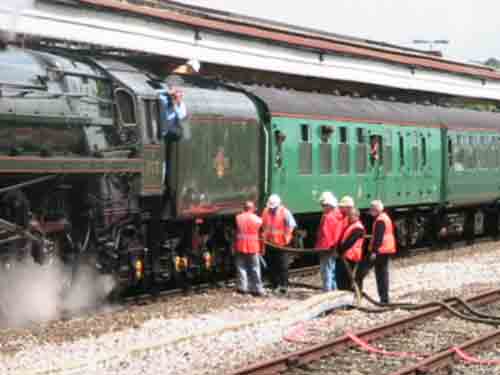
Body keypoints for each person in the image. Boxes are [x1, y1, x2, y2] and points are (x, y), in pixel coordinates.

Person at [262, 194, 296, 294]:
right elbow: (263, 225)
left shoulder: (284, 212)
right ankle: (274, 284)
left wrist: (287, 236)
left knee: (283, 265)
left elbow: (292, 225)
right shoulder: (265, 211)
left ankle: (284, 285)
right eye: (270, 207)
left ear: (278, 205)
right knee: (271, 265)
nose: (272, 209)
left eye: (274, 207)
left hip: (282, 244)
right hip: (270, 243)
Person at [234, 201, 265, 296]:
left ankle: (242, 287)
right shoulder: (258, 220)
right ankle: (257, 289)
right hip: (253, 246)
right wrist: (263, 247)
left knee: (241, 267)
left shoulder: (238, 218)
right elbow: (262, 235)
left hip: (240, 245)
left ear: (244, 208)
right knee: (255, 268)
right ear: (252, 208)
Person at [369, 200, 397, 303]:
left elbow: (378, 237)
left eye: (371, 209)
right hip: (386, 249)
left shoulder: (380, 220)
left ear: (376, 209)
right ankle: (384, 298)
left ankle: (384, 299)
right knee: (383, 273)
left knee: (381, 275)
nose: (370, 211)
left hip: (381, 250)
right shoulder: (385, 217)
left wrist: (374, 251)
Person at [315, 192, 343, 292]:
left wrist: (322, 248)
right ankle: (334, 291)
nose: (322, 207)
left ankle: (327, 292)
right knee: (332, 270)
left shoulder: (328, 217)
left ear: (328, 205)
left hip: (326, 248)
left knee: (326, 271)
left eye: (323, 205)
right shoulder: (337, 215)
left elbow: (326, 235)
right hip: (333, 247)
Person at [337, 209, 366, 290]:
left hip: (351, 256)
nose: (349, 217)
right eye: (349, 215)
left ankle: (351, 296)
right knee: (345, 279)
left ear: (357, 216)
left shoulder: (358, 228)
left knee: (347, 279)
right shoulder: (352, 226)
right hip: (347, 255)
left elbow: (349, 242)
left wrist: (340, 250)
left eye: (351, 215)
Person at [335, 196, 357, 289]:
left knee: (345, 279)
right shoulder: (344, 219)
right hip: (345, 254)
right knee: (342, 278)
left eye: (342, 207)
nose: (340, 208)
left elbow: (349, 242)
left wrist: (339, 250)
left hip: (349, 256)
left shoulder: (355, 226)